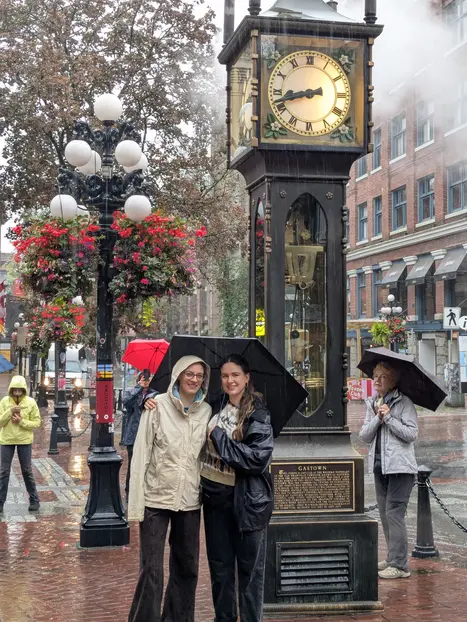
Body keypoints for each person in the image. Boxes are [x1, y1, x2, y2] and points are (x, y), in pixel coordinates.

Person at [127, 356, 212, 622]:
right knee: (151, 569)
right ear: (178, 375)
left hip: (189, 500)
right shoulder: (157, 406)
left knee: (187, 567)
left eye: (199, 375)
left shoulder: (207, 411)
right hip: (156, 498)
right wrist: (136, 506)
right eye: (189, 374)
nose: (194, 379)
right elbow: (141, 455)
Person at [201, 354, 274, 622]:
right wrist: (149, 399)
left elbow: (255, 459)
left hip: (248, 503)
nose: (229, 380)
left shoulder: (259, 414)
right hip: (215, 501)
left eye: (235, 375)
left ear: (246, 378)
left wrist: (219, 436)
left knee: (249, 574)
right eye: (224, 376)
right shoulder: (214, 407)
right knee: (220, 571)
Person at [360, 361, 418, 580]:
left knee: (394, 514)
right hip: (380, 467)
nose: (377, 380)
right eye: (375, 375)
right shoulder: (372, 403)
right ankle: (393, 557)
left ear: (392, 381)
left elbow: (411, 434)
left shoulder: (404, 403)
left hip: (400, 468)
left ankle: (400, 565)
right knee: (385, 514)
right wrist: (378, 417)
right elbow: (365, 436)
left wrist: (390, 418)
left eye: (383, 376)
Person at [0, 375, 41, 513]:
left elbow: (36, 422)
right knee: (4, 472)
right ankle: (0, 502)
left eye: (20, 390)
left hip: (24, 440)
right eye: (15, 390)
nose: (17, 393)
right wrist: (10, 411)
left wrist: (21, 421)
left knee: (27, 470)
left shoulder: (30, 402)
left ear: (24, 390)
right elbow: (0, 422)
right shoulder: (4, 401)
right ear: (11, 390)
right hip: (7, 440)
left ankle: (34, 500)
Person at [122, 369, 155, 501]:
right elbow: (126, 402)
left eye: (148, 378)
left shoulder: (155, 394)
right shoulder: (132, 392)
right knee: (133, 466)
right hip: (133, 437)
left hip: (148, 436)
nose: (146, 380)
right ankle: (130, 493)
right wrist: (139, 387)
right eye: (143, 378)